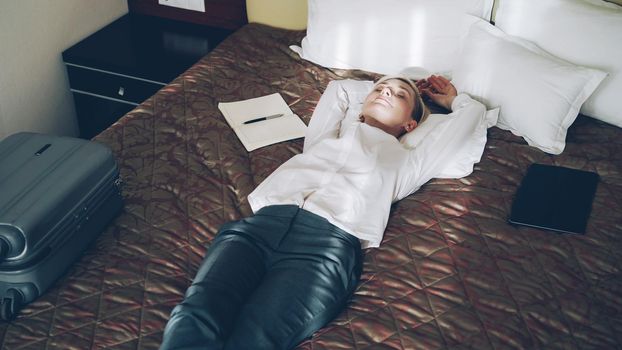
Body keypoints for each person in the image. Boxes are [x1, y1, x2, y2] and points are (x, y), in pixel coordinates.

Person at [159, 73, 488, 350]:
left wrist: (448, 100)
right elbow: (339, 88)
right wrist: (394, 86)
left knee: (255, 337)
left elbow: (470, 115)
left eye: (398, 95)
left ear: (410, 124)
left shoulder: (406, 163)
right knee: (195, 314)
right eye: (379, 88)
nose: (386, 91)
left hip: (322, 250)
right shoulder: (323, 140)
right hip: (258, 229)